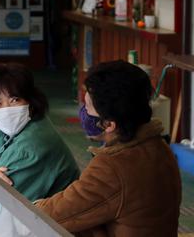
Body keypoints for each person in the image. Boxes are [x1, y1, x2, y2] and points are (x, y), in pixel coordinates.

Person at [36, 60, 182, 236]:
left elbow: (50, 216)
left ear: (109, 124)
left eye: (88, 107)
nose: (83, 112)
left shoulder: (113, 166)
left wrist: (36, 203)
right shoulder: (158, 145)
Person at [0, 63, 80, 202]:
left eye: (14, 100)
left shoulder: (30, 147)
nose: (6, 109)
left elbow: (0, 205)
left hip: (55, 221)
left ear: (30, 103)